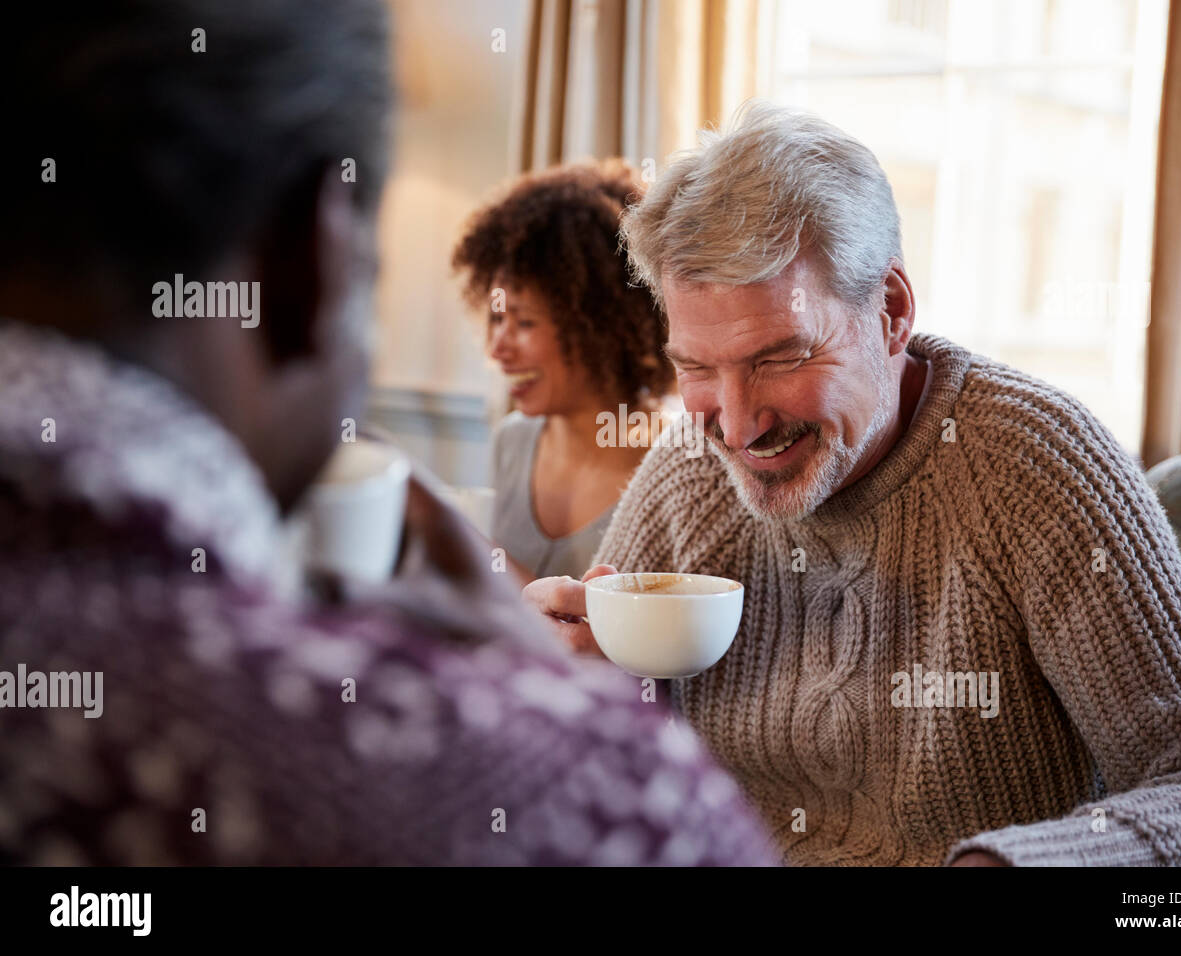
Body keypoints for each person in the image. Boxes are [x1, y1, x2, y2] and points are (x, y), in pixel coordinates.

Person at [0, 0, 777, 867]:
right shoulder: (582, 799)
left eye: (520, 319)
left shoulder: (698, 463)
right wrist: (556, 711)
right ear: (314, 259)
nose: (496, 347)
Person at [524, 101, 1181, 866]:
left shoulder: (1036, 466)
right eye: (697, 367)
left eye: (780, 358)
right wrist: (574, 697)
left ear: (891, 311)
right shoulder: (690, 470)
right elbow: (623, 784)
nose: (735, 426)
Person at [452, 161, 677, 580]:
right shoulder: (513, 441)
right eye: (496, 319)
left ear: (598, 325)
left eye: (523, 323)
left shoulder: (673, 461)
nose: (497, 347)